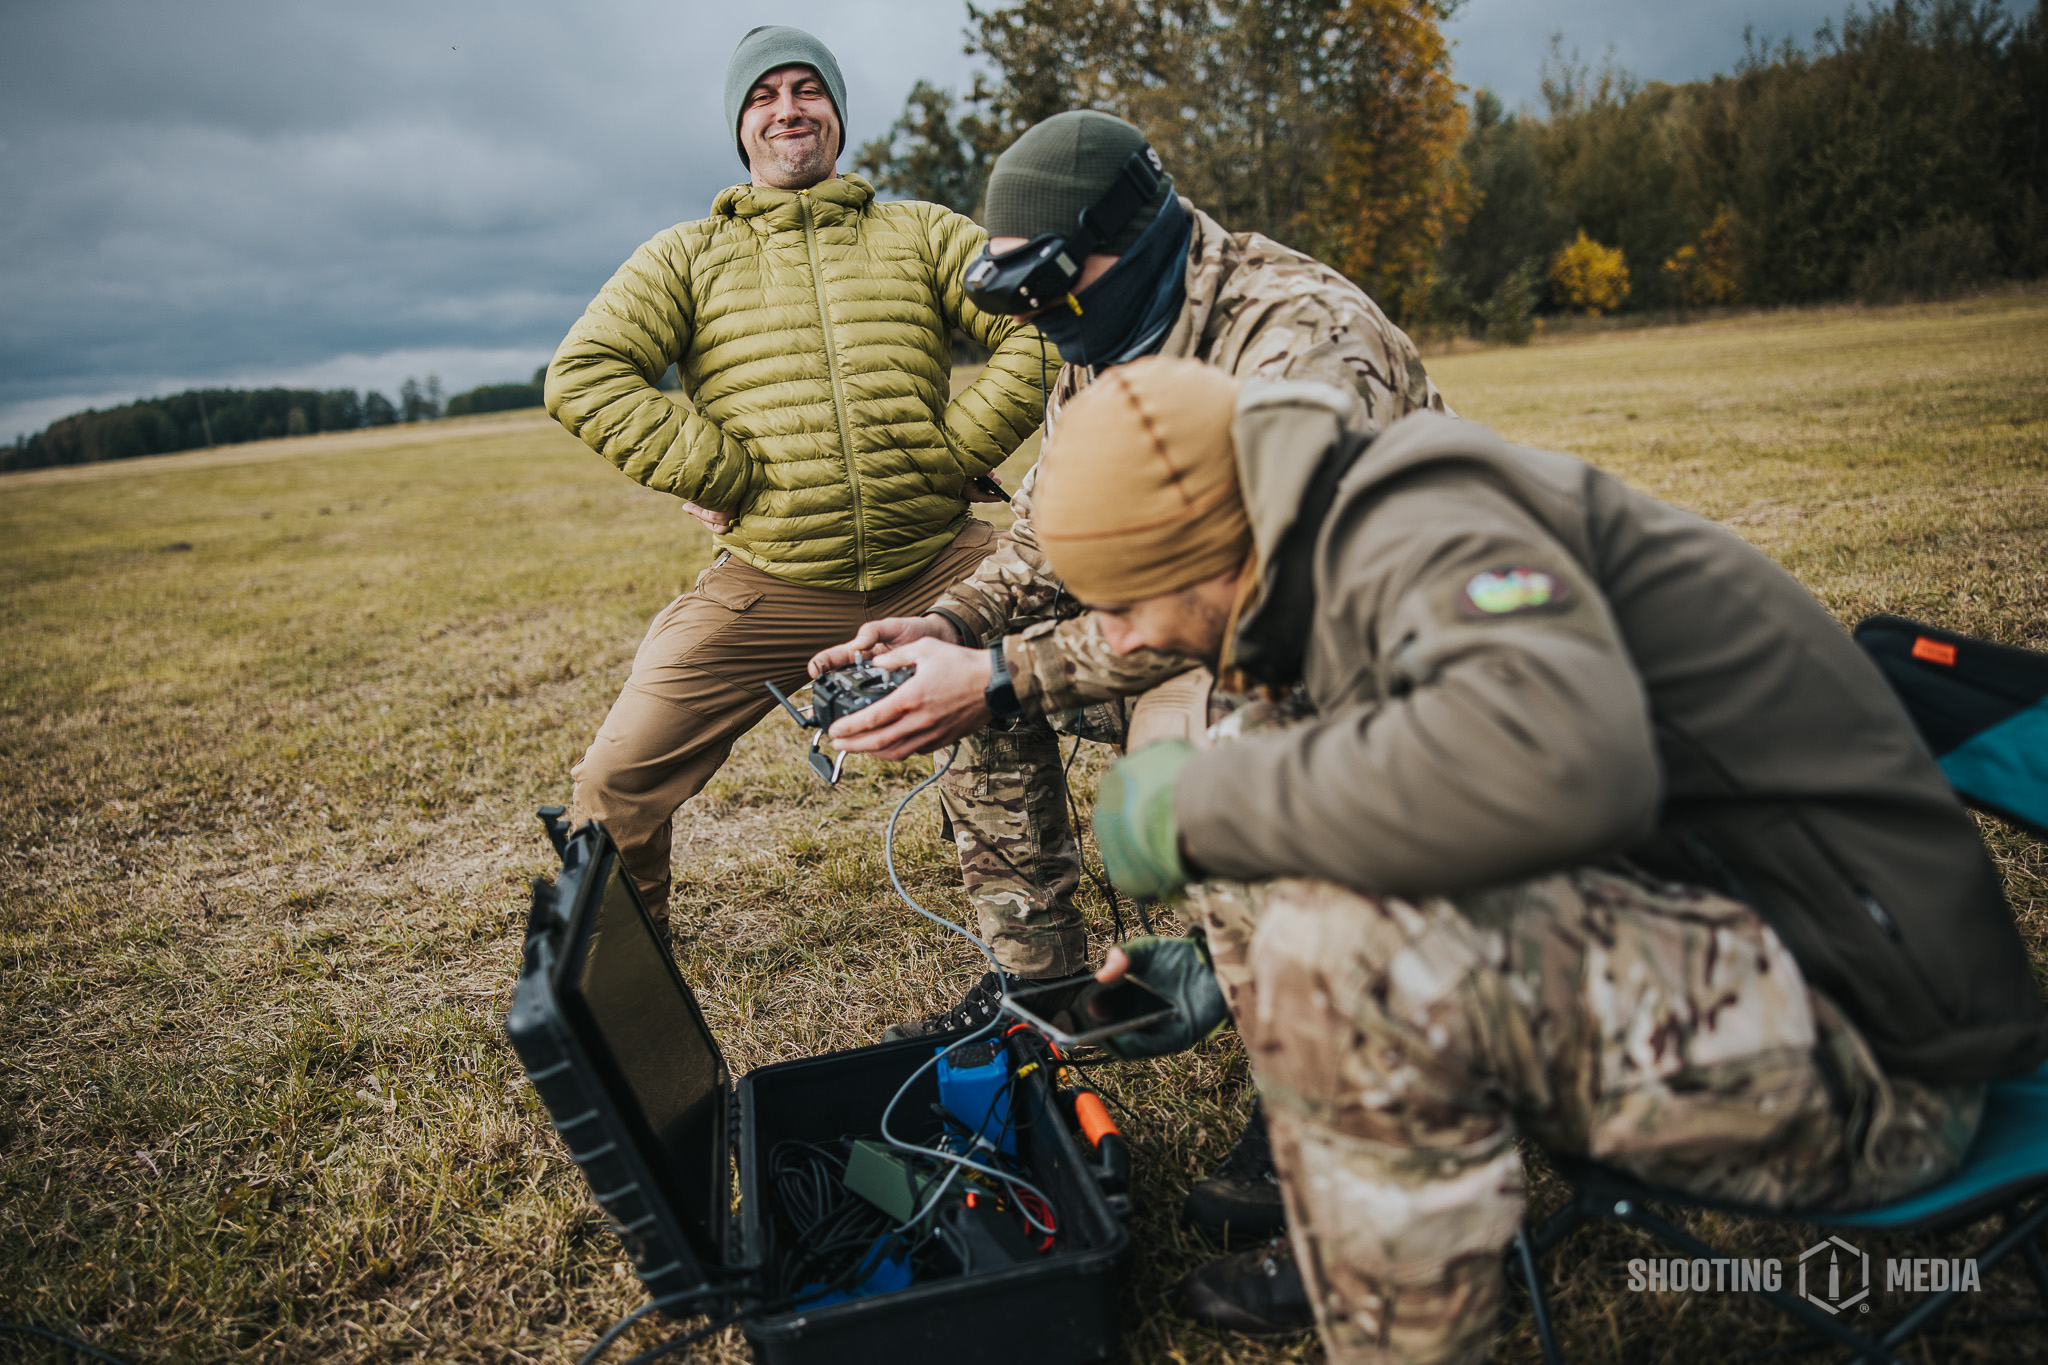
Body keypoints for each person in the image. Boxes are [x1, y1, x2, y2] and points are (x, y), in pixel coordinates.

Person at [1038, 357, 2048, 1359]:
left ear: (1214, 553)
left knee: (1339, 939)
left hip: (1880, 1065)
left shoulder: (1419, 527)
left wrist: (1203, 807)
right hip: (1775, 946)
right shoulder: (1333, 543)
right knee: (1277, 826)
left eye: (1123, 604)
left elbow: (1560, 765)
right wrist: (1228, 963)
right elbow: (1420, 799)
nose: (1118, 644)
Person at [809, 109, 1448, 1232]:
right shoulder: (1104, 337)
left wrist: (1005, 673)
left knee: (1225, 753)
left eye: (1051, 288)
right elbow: (1043, 550)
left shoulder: (1294, 339)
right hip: (1216, 641)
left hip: (1385, 666)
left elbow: (1259, 608)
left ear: (1130, 232)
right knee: (971, 686)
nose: (1043, 324)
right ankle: (1044, 1006)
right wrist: (949, 630)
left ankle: (1311, 1104)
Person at [544, 25, 1046, 957]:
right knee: (614, 781)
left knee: (1138, 651)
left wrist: (953, 452)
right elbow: (584, 374)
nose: (788, 110)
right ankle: (625, 972)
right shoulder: (686, 257)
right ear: (740, 125)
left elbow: (1039, 328)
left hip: (942, 561)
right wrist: (717, 472)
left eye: (807, 90)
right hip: (772, 579)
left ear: (839, 115)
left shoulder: (922, 232)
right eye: (764, 95)